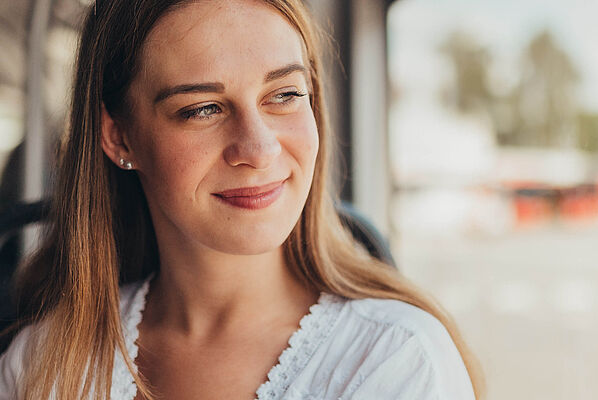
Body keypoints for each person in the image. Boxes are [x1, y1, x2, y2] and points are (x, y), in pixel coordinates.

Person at [0, 0, 482, 399]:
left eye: (285, 94)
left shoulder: (397, 359)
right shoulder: (43, 363)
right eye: (202, 108)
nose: (258, 149)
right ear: (119, 136)